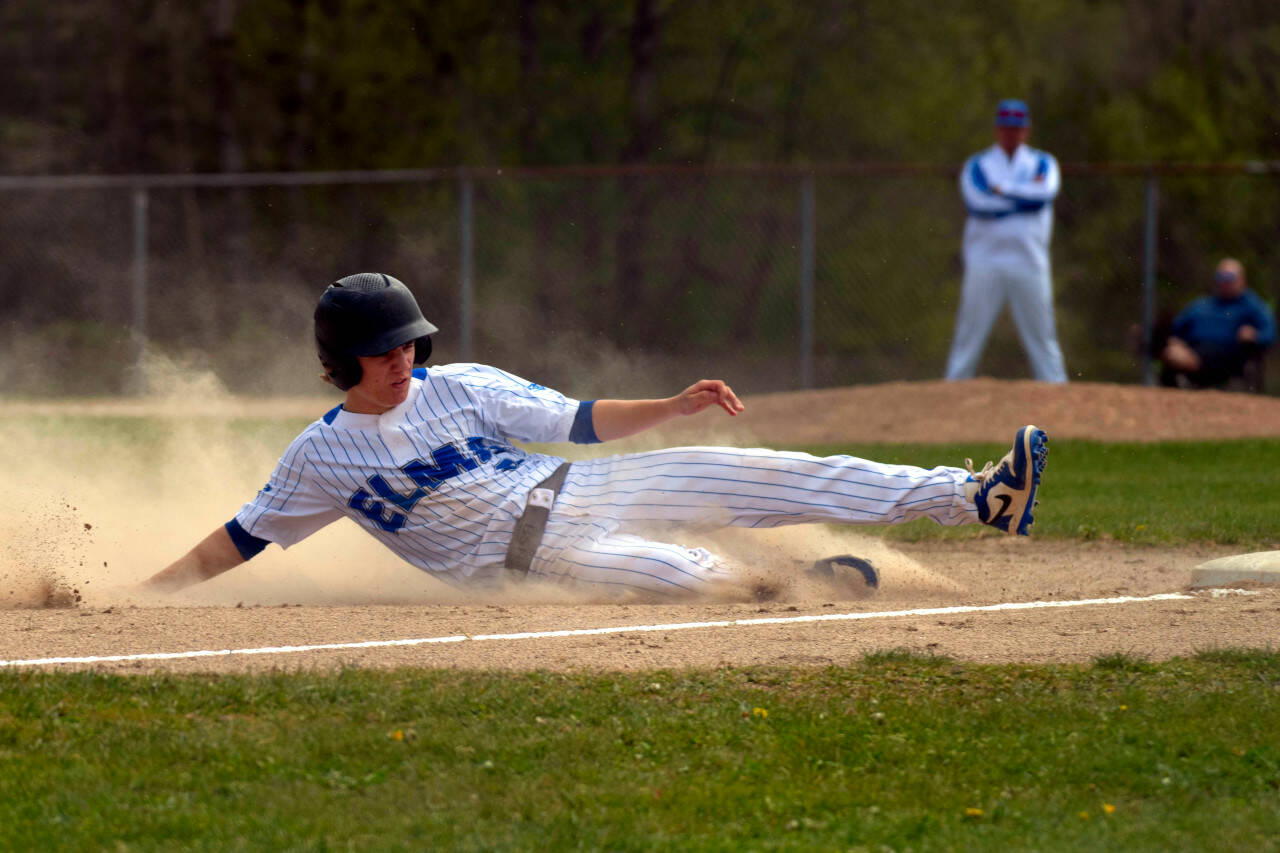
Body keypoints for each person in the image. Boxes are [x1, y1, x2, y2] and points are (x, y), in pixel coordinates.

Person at [143, 273, 1050, 599]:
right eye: (383, 351)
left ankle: (976, 496)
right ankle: (798, 587)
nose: (402, 360)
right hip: (536, 559)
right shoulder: (320, 456)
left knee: (772, 473)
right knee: (682, 577)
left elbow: (574, 421)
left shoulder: (459, 385)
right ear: (343, 360)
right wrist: (142, 597)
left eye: (409, 344)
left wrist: (671, 406)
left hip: (583, 486)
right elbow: (242, 537)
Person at [945, 98, 1068, 384]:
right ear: (997, 128)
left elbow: (1044, 195)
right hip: (985, 260)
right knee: (968, 336)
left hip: (1030, 259)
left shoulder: (1043, 163)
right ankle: (952, 390)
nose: (1011, 133)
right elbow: (978, 203)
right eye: (1006, 127)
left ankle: (1057, 392)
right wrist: (1023, 197)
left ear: (1027, 129)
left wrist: (1000, 190)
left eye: (1016, 127)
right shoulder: (978, 165)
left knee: (1043, 337)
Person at [1158, 257, 1276, 390]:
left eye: (1230, 277)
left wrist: (1254, 335)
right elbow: (1176, 329)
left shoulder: (1252, 306)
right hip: (1194, 348)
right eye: (1220, 277)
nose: (1225, 281)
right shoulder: (1201, 305)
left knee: (1180, 356)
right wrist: (1175, 340)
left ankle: (1184, 364)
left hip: (1227, 356)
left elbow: (1270, 333)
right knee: (1169, 348)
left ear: (1242, 280)